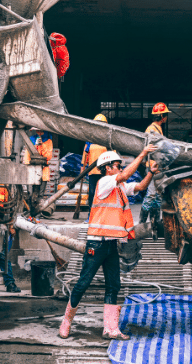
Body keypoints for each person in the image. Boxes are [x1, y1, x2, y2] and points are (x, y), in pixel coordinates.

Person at [59, 144, 159, 340]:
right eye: (117, 165)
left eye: (121, 165)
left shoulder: (119, 187)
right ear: (107, 168)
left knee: (113, 285)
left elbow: (140, 187)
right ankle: (66, 322)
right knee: (83, 283)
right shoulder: (104, 182)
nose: (120, 168)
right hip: (96, 244)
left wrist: (151, 173)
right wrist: (143, 154)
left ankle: (110, 328)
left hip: (111, 244)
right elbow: (123, 177)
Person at [139, 103, 171, 224]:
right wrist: (156, 165)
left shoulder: (158, 128)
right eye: (166, 115)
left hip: (157, 167)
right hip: (153, 167)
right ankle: (141, 224)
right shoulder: (152, 129)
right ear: (162, 116)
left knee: (157, 196)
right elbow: (152, 150)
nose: (166, 117)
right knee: (151, 195)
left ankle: (155, 224)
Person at [82, 114, 108, 222]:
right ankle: (91, 216)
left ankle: (103, 216)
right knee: (92, 194)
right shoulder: (90, 139)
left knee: (104, 194)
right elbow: (85, 155)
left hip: (105, 172)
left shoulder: (107, 139)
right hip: (92, 172)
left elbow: (113, 155)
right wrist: (83, 168)